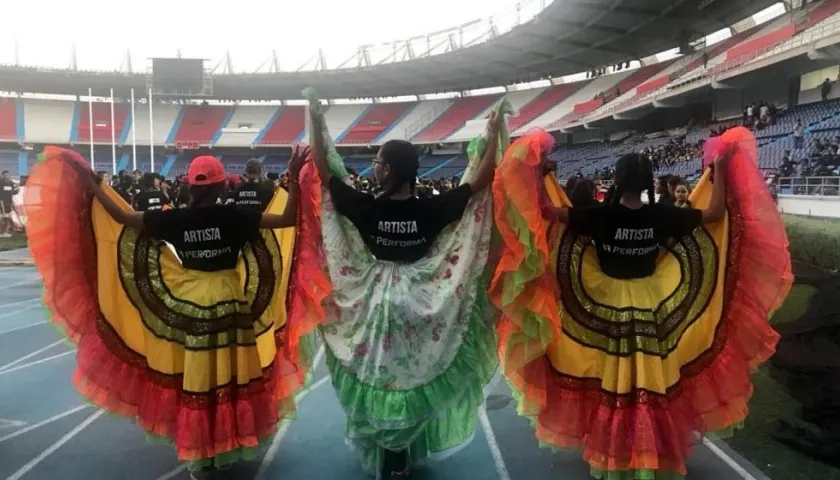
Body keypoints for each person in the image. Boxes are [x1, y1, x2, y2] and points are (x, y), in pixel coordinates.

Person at [490, 126, 793, 479]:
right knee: (651, 381)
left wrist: (539, 177)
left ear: (616, 179)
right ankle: (650, 451)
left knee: (613, 380)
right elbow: (713, 214)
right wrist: (720, 170)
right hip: (653, 306)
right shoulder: (660, 215)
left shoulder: (598, 215)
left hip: (602, 305)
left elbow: (549, 215)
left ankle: (614, 450)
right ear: (649, 181)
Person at [24, 146, 312, 479]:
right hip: (231, 302)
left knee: (200, 377)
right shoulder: (235, 215)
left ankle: (200, 456)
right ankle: (227, 444)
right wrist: (294, 179)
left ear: (191, 186)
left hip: (190, 306)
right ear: (221, 187)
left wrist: (94, 185)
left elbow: (122, 219)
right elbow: (288, 219)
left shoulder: (174, 217)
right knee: (230, 374)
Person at [287, 88, 508, 479]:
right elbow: (481, 181)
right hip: (421, 301)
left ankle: (392, 454)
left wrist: (316, 122)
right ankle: (401, 452)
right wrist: (493, 134)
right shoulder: (432, 207)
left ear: (388, 170)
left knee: (379, 375)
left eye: (377, 162)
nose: (374, 168)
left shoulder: (366, 206)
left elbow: (325, 173)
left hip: (374, 304)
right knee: (414, 376)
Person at [0, 170, 19, 237]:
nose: (7, 176)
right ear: (3, 175)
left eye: (8, 174)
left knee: (8, 217)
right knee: (4, 217)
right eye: (5, 175)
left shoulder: (11, 183)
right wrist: (2, 206)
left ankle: (4, 232)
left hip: (9, 202)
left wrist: (17, 190)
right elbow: (1, 196)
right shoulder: (1, 183)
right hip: (2, 202)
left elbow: (13, 192)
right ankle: (1, 232)